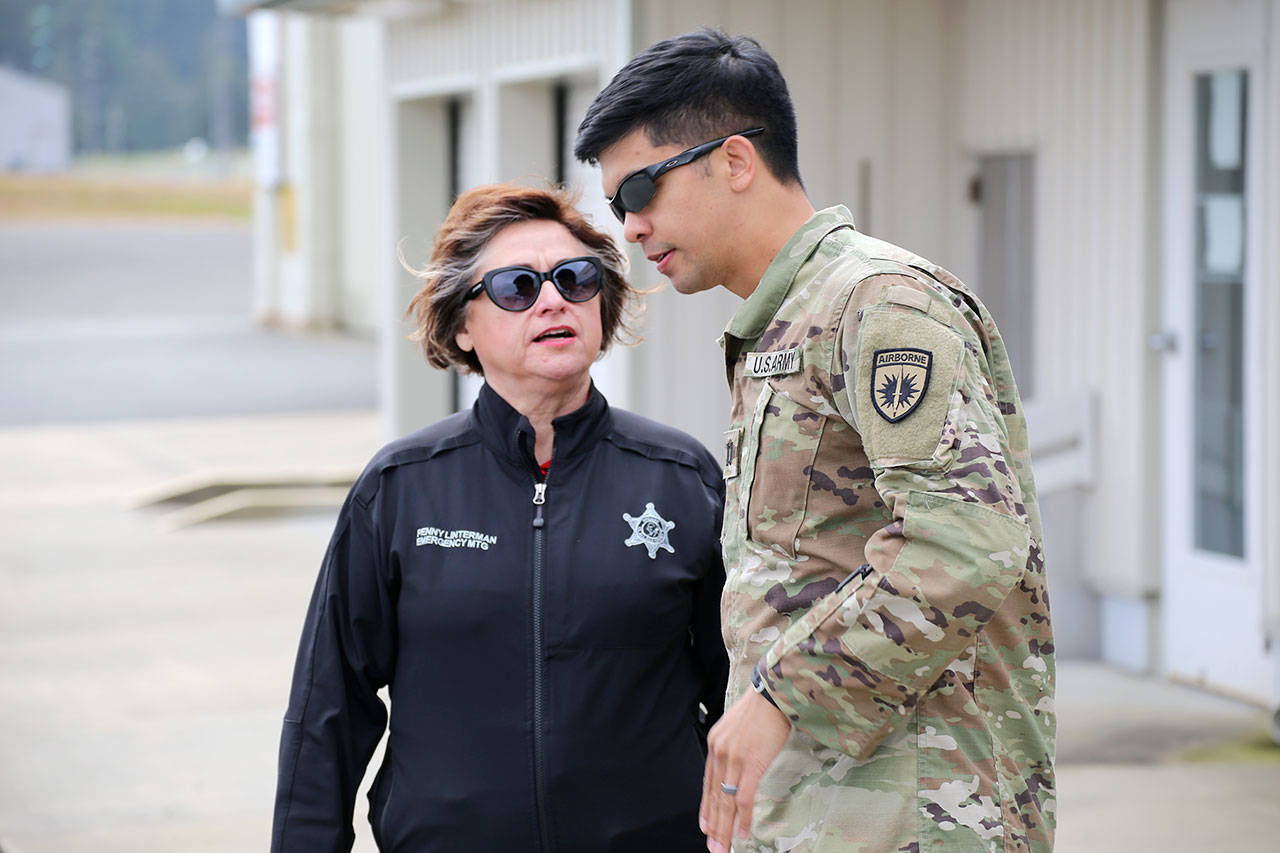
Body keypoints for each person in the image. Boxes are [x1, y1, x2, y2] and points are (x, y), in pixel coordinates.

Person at [575, 29, 1055, 853]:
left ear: (733, 160)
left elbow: (969, 537)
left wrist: (780, 694)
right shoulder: (783, 322)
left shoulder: (878, 303)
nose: (631, 227)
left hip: (926, 811)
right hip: (832, 808)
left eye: (642, 189)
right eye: (617, 205)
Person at [270, 183, 729, 851]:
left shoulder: (682, 479)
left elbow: (742, 694)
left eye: (575, 279)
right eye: (517, 287)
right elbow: (325, 714)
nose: (553, 301)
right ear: (462, 323)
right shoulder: (399, 488)